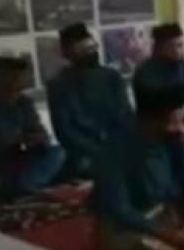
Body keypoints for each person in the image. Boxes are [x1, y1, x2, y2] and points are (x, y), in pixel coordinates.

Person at [91, 85, 184, 250]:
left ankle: (167, 245)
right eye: (173, 122)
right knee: (120, 248)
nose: (180, 128)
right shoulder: (113, 150)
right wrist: (168, 234)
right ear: (149, 121)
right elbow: (120, 209)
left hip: (167, 209)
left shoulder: (174, 136)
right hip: (133, 220)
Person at [0, 57, 65, 203]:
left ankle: (22, 188)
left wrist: (37, 138)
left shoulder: (24, 103)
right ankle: (21, 189)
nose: (15, 86)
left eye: (20, 82)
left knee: (57, 153)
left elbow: (39, 132)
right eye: (10, 80)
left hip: (15, 162)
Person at [47, 23, 134, 178]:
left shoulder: (112, 77)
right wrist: (96, 150)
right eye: (84, 50)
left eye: (93, 48)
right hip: (83, 154)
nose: (92, 53)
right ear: (68, 53)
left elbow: (126, 117)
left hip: (117, 146)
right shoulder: (59, 85)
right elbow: (64, 131)